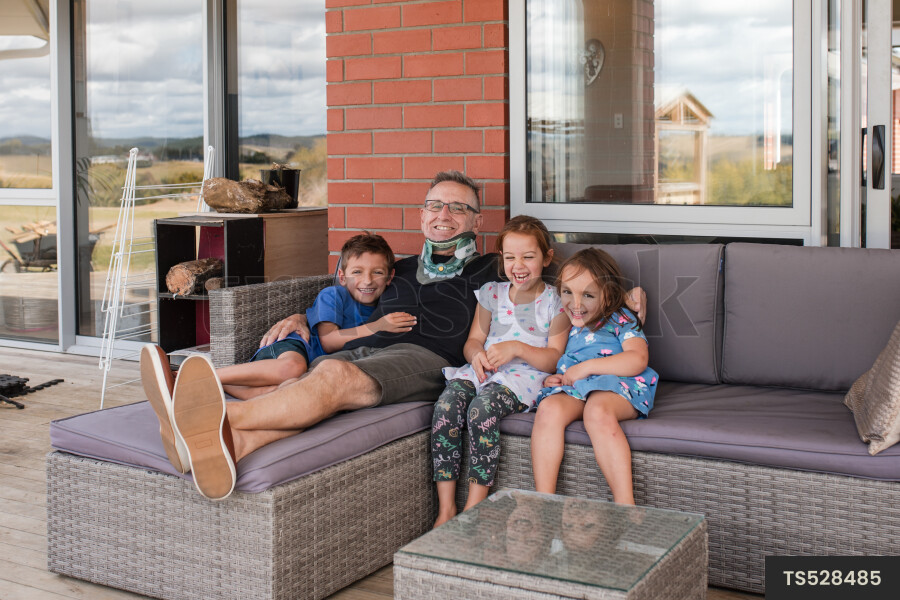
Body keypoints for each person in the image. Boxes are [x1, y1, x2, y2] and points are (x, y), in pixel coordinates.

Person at [141, 170, 497, 500]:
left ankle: (203, 418)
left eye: (458, 208)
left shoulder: (492, 269)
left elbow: (535, 299)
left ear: (477, 221)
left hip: (426, 360)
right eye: (435, 206)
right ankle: (228, 447)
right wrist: (302, 317)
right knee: (296, 391)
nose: (443, 214)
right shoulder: (396, 269)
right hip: (366, 351)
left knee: (330, 375)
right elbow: (349, 298)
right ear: (422, 216)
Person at [431, 215, 569, 527]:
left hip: (524, 379)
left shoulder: (555, 301)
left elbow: (554, 359)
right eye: (510, 257)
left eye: (528, 257)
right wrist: (476, 355)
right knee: (445, 407)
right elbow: (473, 342)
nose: (518, 266)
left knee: (481, 411)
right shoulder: (491, 294)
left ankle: (474, 508)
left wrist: (518, 348)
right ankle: (446, 507)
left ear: (546, 258)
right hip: (483, 371)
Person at [214, 233, 415, 400]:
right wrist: (377, 327)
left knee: (280, 392)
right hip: (296, 345)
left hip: (314, 366)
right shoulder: (334, 295)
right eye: (357, 272)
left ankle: (221, 385)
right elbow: (328, 341)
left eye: (377, 272)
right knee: (293, 368)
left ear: (389, 277)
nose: (367, 280)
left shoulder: (384, 306)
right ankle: (211, 374)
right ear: (342, 277)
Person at [530, 248, 658, 506]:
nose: (575, 304)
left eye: (587, 295)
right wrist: (557, 377)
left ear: (608, 295)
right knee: (549, 408)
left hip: (619, 385)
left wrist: (587, 368)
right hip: (577, 386)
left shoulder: (621, 318)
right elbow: (560, 358)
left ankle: (626, 506)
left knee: (597, 411)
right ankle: (544, 502)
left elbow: (637, 359)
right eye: (567, 292)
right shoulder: (565, 321)